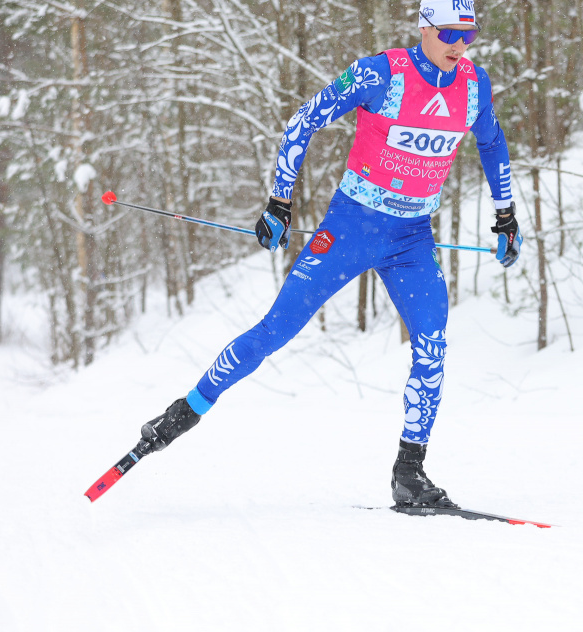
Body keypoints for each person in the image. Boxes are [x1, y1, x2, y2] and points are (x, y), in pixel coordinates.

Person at [130, 0, 520, 509]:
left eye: (468, 34)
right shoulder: (381, 73)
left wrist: (506, 216)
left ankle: (410, 474)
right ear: (424, 27)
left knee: (432, 346)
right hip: (351, 227)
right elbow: (303, 121)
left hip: (412, 240)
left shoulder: (474, 85)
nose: (459, 44)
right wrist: (278, 202)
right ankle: (185, 410)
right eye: (449, 32)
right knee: (277, 329)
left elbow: (492, 144)